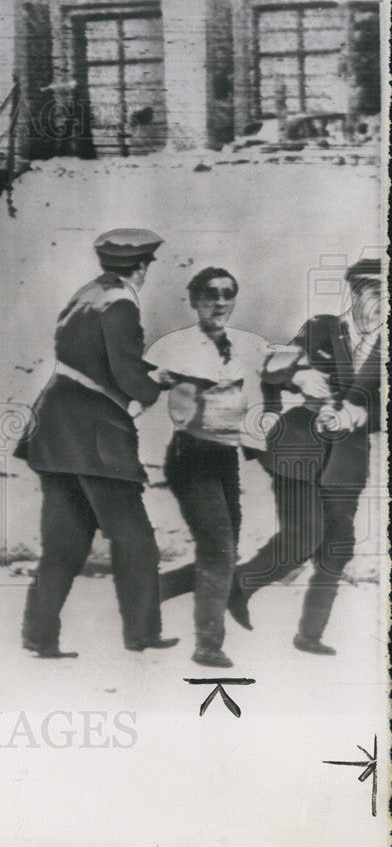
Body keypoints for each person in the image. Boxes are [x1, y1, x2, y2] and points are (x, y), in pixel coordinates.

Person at [14, 229, 179, 657]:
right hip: (96, 435)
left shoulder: (85, 295)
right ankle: (142, 633)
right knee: (136, 539)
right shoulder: (121, 303)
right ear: (142, 267)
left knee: (64, 543)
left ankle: (39, 635)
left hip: (53, 428)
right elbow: (123, 373)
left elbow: (92, 360)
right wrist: (151, 386)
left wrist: (140, 374)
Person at [228, 258, 384, 655]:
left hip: (348, 456)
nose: (384, 303)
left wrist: (352, 414)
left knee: (339, 543)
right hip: (298, 448)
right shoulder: (321, 328)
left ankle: (309, 634)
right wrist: (296, 376)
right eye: (376, 293)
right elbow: (271, 368)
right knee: (303, 537)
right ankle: (237, 586)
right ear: (355, 291)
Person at [146, 268, 272, 668]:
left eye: (227, 294)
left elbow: (286, 363)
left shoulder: (248, 346)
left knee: (224, 551)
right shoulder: (173, 346)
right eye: (210, 294)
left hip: (225, 457)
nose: (219, 302)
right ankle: (208, 645)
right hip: (189, 456)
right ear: (194, 299)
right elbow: (140, 387)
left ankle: (150, 594)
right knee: (219, 549)